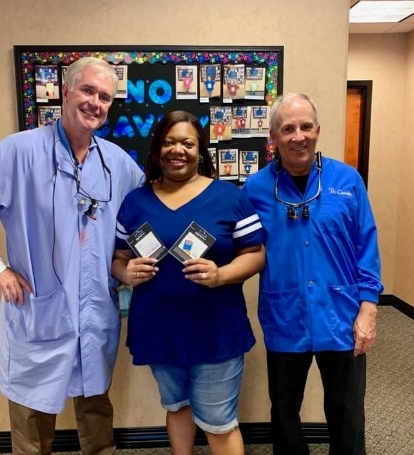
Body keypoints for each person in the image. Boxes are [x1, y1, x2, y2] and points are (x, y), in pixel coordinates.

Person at [0, 57, 144, 455]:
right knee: (31, 426)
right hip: (38, 314)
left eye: (105, 96)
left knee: (96, 415)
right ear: (66, 92)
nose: (95, 103)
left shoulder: (118, 165)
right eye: (88, 91)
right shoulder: (18, 153)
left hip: (95, 315)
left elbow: (146, 216)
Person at [112, 110, 265, 455]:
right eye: (168, 142)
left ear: (201, 150)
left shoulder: (230, 197)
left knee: (218, 421)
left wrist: (221, 275)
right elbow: (117, 259)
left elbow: (256, 253)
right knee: (177, 406)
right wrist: (125, 273)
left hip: (216, 330)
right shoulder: (135, 202)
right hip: (158, 328)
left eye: (187, 143)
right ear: (157, 149)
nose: (177, 150)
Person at [242, 93, 384, 455]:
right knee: (285, 411)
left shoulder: (348, 181)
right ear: (272, 137)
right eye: (287, 128)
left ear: (318, 130)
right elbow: (239, 245)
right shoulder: (255, 189)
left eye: (306, 126)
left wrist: (369, 308)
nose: (298, 136)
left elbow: (366, 243)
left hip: (342, 315)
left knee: (347, 410)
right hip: (285, 317)